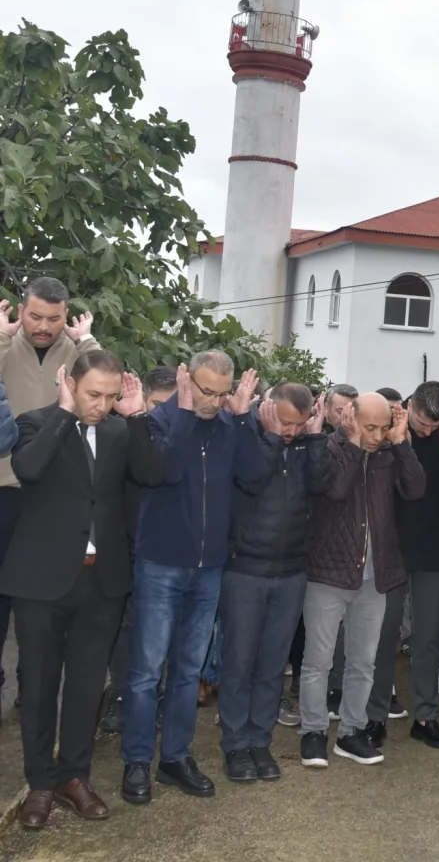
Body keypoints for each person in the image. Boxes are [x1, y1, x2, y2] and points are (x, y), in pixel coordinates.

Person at [4, 353, 159, 829]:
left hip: (103, 580)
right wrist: (66, 413)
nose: (102, 405)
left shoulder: (118, 429)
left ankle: (75, 777)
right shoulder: (34, 424)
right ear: (68, 384)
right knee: (40, 688)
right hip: (41, 582)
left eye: (111, 396)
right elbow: (27, 469)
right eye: (94, 394)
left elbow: (153, 475)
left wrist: (136, 418)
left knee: (88, 687)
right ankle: (41, 784)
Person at [121, 354, 265, 806]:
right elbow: (163, 472)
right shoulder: (160, 421)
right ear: (186, 379)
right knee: (146, 673)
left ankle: (174, 758)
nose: (215, 401)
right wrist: (184, 412)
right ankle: (137, 761)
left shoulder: (228, 425)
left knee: (188, 672)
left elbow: (256, 476)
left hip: (210, 568)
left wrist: (242, 418)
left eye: (223, 393)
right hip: (161, 564)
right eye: (208, 391)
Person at [298, 393, 423, 770]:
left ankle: (351, 732)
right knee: (318, 661)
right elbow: (334, 491)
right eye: (370, 427)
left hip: (375, 576)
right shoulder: (329, 447)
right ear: (350, 418)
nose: (376, 434)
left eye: (383, 427)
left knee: (363, 662)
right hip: (329, 571)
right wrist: (353, 445)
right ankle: (313, 732)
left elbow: (416, 489)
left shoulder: (389, 453)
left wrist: (400, 442)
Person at [217, 384, 331, 784]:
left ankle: (259, 741)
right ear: (267, 409)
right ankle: (234, 744)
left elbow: (324, 486)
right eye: (285, 422)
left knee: (271, 664)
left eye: (299, 424)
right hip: (245, 568)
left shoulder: (306, 441)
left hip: (291, 570)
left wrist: (315, 437)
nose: (291, 431)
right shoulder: (245, 433)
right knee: (239, 661)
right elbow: (249, 479)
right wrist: (267, 437)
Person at [0, 282, 100, 713]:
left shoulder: (76, 355)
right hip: (5, 491)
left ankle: (32, 689)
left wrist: (88, 340)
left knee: (40, 599)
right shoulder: (4, 346)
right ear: (21, 311)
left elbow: (107, 382)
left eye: (53, 319)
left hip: (55, 497)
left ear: (66, 316)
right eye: (35, 316)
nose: (43, 327)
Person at [377, 381, 439, 751]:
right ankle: (373, 717)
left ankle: (425, 716)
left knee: (428, 638)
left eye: (433, 424)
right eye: (421, 422)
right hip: (393, 550)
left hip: (436, 552)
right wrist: (400, 444)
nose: (426, 430)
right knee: (383, 637)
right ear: (409, 405)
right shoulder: (388, 434)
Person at [100, 367, 177, 736]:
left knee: (162, 627)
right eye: (156, 404)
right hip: (127, 544)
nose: (162, 412)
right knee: (125, 624)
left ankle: (156, 695)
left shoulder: (182, 435)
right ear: (143, 398)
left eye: (169, 404)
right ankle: (118, 695)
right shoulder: (123, 432)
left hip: (166, 548)